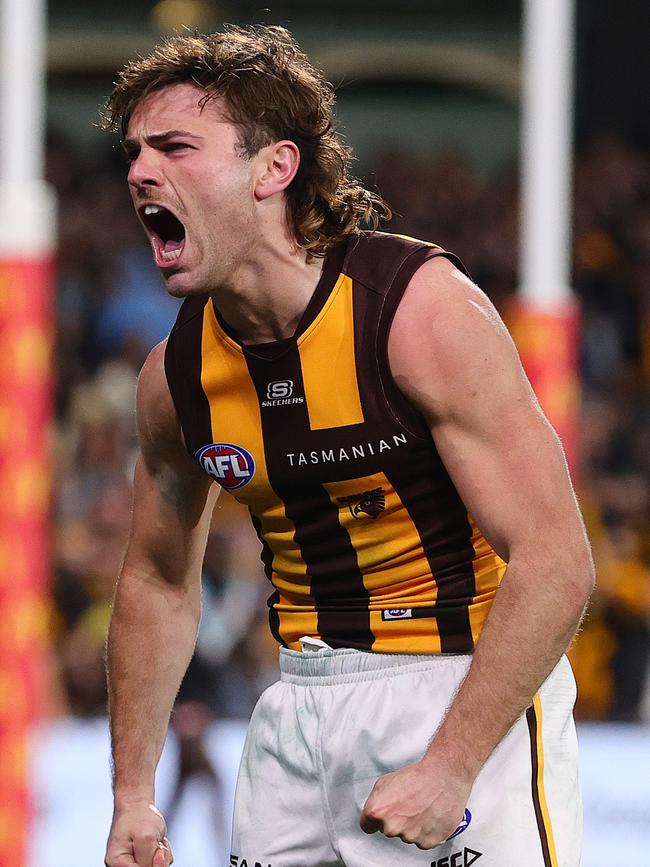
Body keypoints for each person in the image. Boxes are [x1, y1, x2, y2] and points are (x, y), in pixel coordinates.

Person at [102, 24, 594, 867]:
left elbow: (557, 560)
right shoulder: (174, 377)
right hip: (297, 709)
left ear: (274, 169)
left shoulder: (416, 312)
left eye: (176, 146)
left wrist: (449, 766)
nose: (142, 169)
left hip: (461, 690)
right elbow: (156, 579)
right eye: (136, 152)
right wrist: (132, 795)